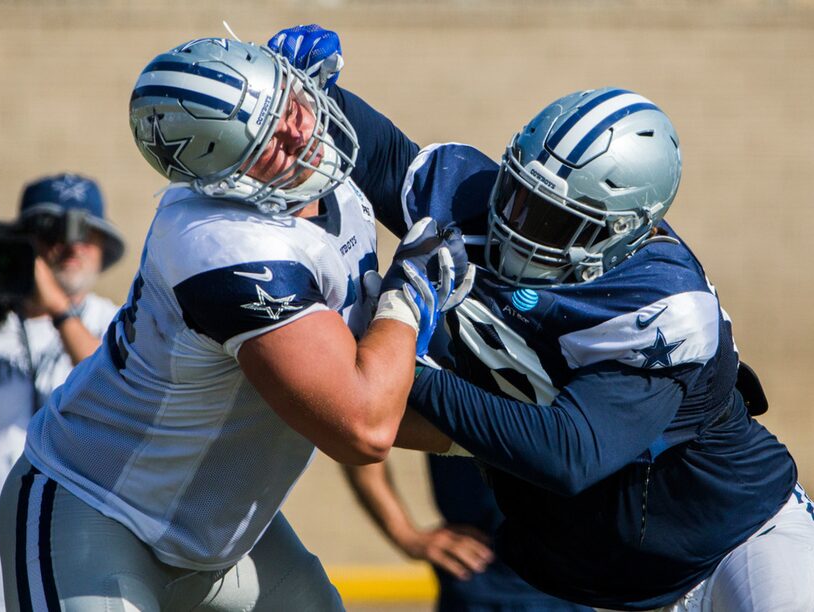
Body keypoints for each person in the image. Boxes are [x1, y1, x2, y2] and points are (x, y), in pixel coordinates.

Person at [266, 25, 814, 611]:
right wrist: (306, 101)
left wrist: (405, 363)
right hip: (602, 583)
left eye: (554, 220)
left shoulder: (659, 307)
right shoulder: (479, 200)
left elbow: (568, 453)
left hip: (739, 547)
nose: (516, 224)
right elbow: (375, 153)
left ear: (620, 233)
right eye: (519, 194)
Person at [0, 38, 471, 611]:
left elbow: (381, 390)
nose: (299, 134)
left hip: (221, 535)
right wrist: (409, 293)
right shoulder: (222, 246)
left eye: (291, 106)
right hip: (97, 509)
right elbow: (362, 425)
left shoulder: (331, 184)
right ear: (222, 177)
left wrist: (514, 439)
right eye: (268, 140)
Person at [0, 173, 123, 611]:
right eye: (52, 233)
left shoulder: (118, 323)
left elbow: (116, 391)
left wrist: (60, 311)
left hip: (82, 551)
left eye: (87, 233)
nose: (72, 246)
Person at [345, 457, 592, 611]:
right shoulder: (444, 372)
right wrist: (406, 535)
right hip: (479, 579)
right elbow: (358, 429)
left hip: (571, 583)